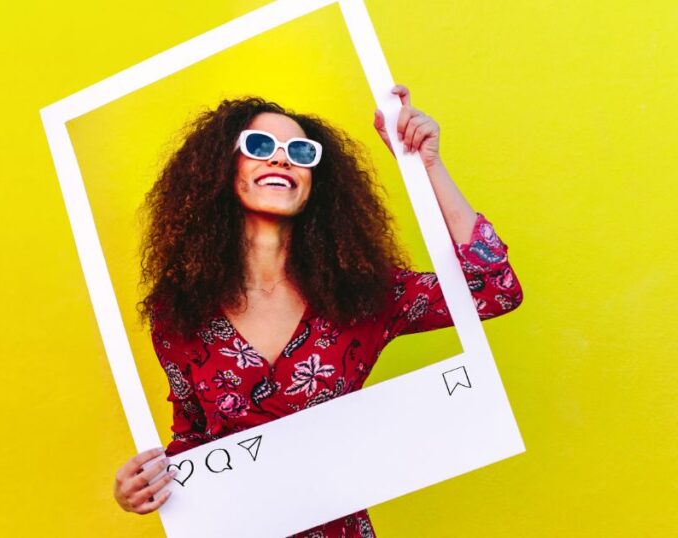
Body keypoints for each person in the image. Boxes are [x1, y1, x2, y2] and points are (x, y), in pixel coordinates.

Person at [112, 85, 523, 537]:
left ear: (316, 183)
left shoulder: (358, 296)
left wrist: (427, 167)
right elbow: (192, 438)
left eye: (301, 152)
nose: (282, 159)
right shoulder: (179, 312)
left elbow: (493, 289)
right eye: (261, 146)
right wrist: (144, 486)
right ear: (221, 169)